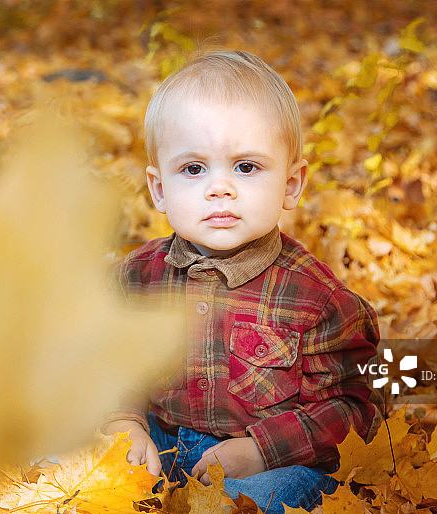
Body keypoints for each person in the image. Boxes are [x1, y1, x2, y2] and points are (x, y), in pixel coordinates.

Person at [103, 50, 381, 513]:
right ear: (160, 189)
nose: (220, 188)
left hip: (267, 465)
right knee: (63, 450)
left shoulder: (317, 300)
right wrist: (124, 421)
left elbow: (354, 406)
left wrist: (261, 450)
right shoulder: (136, 278)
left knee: (277, 494)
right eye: (194, 169)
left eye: (246, 167)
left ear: (291, 184)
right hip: (159, 444)